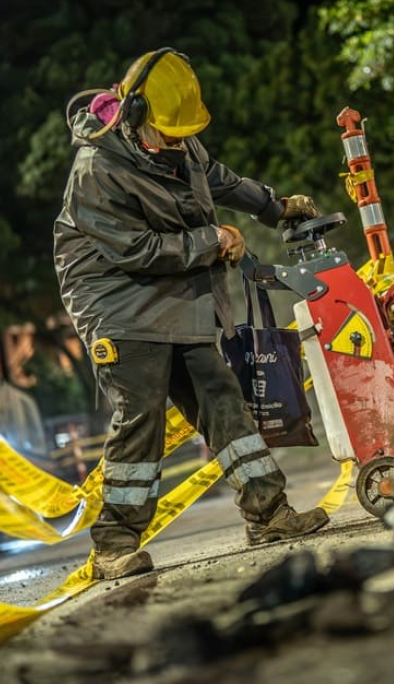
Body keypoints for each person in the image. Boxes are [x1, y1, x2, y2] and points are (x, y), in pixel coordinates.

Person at [53, 47, 329, 580]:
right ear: (133, 116)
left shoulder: (174, 140)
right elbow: (136, 251)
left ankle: (268, 514)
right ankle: (113, 546)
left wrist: (275, 207)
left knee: (222, 398)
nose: (178, 144)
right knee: (141, 419)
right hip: (116, 304)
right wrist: (213, 239)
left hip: (173, 296)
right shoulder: (97, 169)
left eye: (184, 134)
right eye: (168, 133)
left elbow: (217, 178)